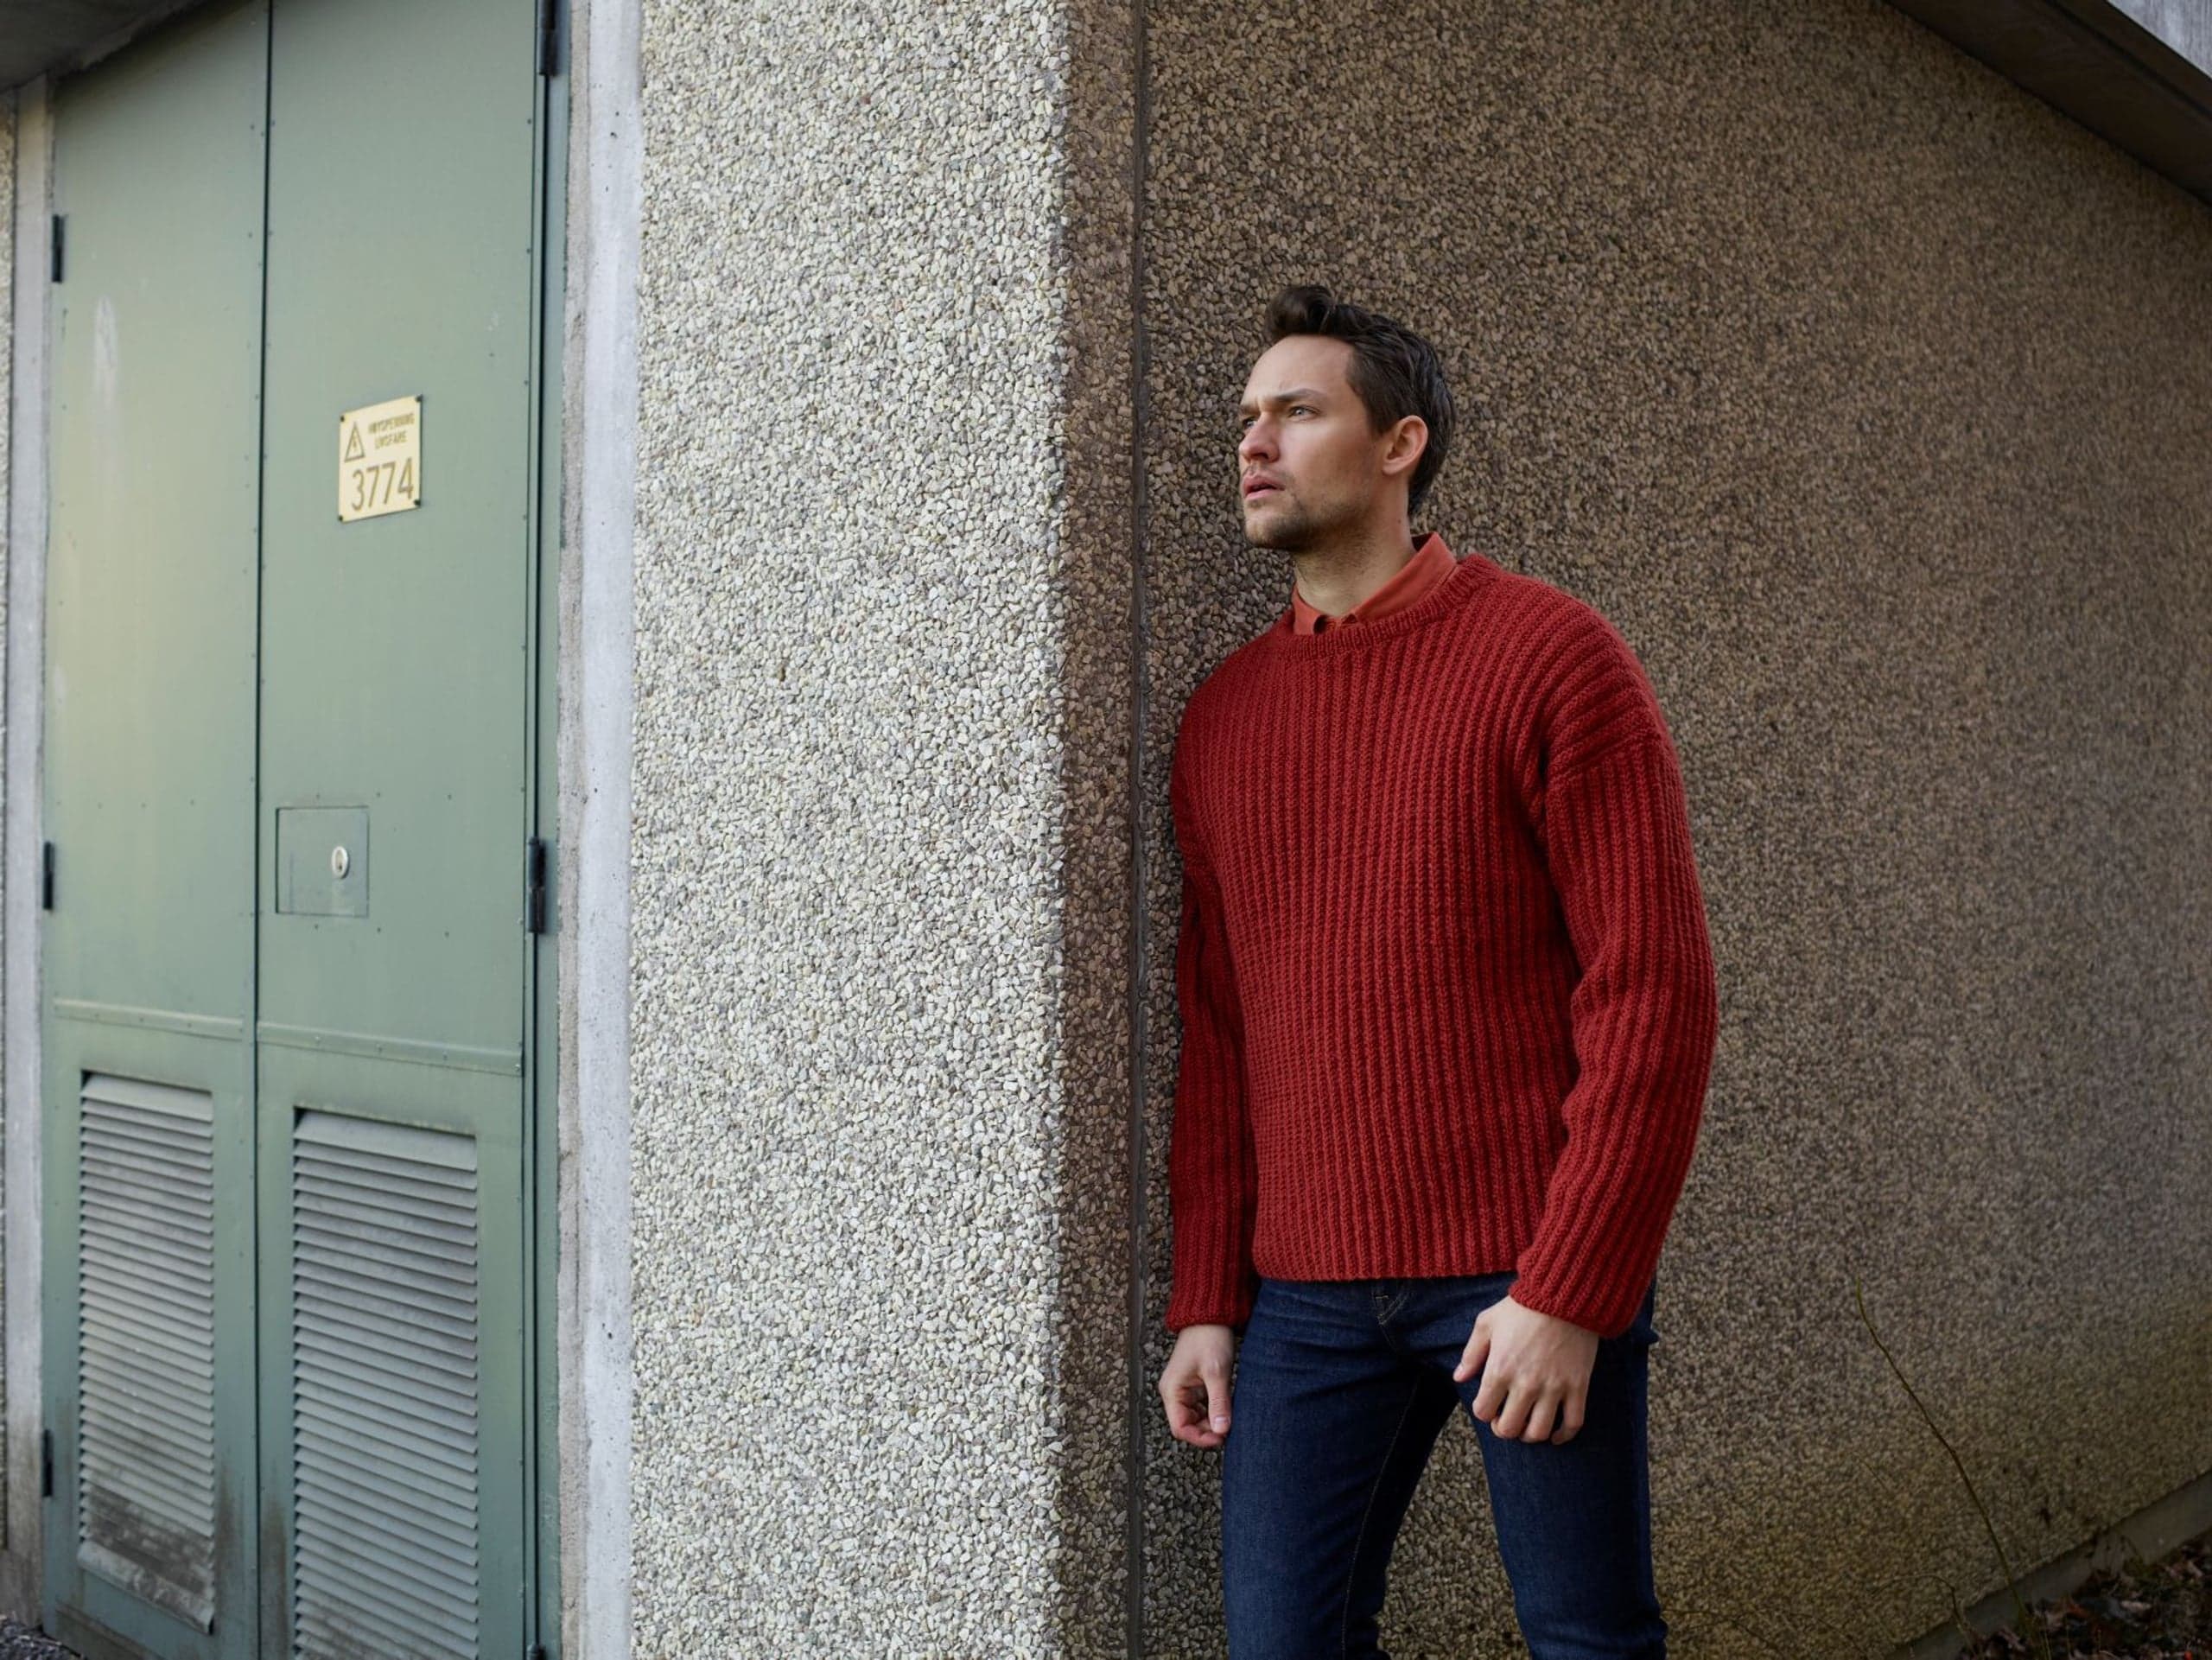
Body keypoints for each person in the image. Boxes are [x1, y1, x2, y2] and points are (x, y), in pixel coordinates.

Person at [1154, 283, 1720, 1660]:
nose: (1255, 442)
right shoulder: (1223, 719)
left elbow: (1654, 992)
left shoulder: (1551, 659)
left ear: (1400, 443)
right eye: (1248, 416)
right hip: (1305, 1296)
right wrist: (1208, 1300)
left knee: (1587, 1638)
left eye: (1298, 411)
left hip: (1521, 1267)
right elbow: (1221, 1032)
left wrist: (1570, 1290)